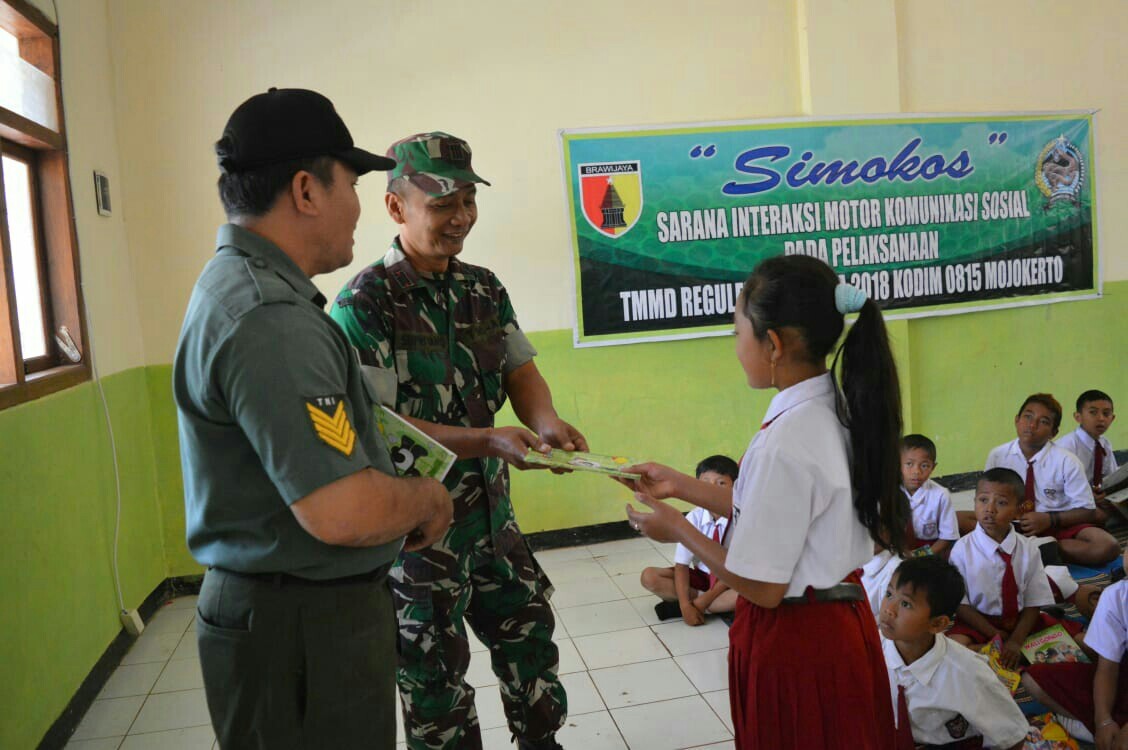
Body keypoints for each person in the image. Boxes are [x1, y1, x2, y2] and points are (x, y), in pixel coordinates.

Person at [174, 88, 453, 749]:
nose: (360, 205)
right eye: (352, 182)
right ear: (306, 189)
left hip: (293, 618)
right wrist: (425, 498)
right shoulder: (269, 320)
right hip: (298, 630)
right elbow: (342, 510)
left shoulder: (246, 293)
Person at [329, 132, 583, 750]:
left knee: (531, 647)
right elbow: (378, 426)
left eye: (468, 200)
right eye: (443, 204)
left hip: (495, 523)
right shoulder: (366, 303)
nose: (461, 218)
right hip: (419, 534)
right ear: (397, 208)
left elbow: (520, 369)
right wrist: (487, 440)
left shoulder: (483, 288)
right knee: (434, 682)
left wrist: (545, 419)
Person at [622, 255, 906, 749]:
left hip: (798, 641)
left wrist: (679, 529)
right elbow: (787, 514)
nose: (736, 349)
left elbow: (764, 586)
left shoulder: (788, 440)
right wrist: (682, 487)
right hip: (837, 623)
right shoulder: (833, 407)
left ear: (772, 343)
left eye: (738, 334)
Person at [879, 556, 1028, 750]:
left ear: (937, 624)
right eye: (889, 593)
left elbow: (1013, 735)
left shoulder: (969, 674)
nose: (889, 609)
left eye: (906, 604)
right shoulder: (869, 648)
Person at [946, 468, 1082, 666]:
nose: (990, 509)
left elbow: (1034, 600)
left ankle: (1003, 654)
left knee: (1079, 644)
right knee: (952, 648)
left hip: (1022, 622)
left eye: (1001, 503)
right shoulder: (961, 550)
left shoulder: (1028, 549)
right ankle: (1011, 653)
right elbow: (961, 604)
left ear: (1020, 510)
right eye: (983, 500)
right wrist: (995, 634)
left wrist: (1016, 640)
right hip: (979, 622)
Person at [966, 393, 1119, 567]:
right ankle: (1035, 551)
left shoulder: (1066, 460)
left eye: (1044, 421)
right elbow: (988, 496)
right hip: (1009, 524)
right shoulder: (998, 455)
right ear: (1017, 420)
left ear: (1054, 433)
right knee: (957, 520)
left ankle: (1043, 549)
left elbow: (1088, 510)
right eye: (1028, 417)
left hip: (1056, 526)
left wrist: (1049, 519)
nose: (1032, 425)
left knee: (1108, 546)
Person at [1024, 548, 1128, 749]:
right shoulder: (1116, 596)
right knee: (1034, 679)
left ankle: (1089, 728)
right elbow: (1107, 668)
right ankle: (1099, 728)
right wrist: (1103, 720)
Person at [640, 455, 739, 624]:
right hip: (702, 577)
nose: (711, 490)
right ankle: (708, 608)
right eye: (705, 483)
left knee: (750, 594)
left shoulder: (739, 519)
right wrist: (686, 605)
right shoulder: (694, 517)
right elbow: (682, 566)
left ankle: (697, 607)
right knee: (649, 577)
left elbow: (734, 571)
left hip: (731, 580)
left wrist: (703, 601)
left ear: (736, 487)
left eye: (721, 483)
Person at [1057, 390, 1119, 522]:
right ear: (1078, 417)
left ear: (1112, 418)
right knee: (1102, 517)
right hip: (1069, 503)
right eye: (1093, 412)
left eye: (1106, 413)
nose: (1101, 418)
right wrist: (1087, 496)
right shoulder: (1066, 447)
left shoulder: (1104, 444)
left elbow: (1112, 477)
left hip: (1097, 500)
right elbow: (1057, 488)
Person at [901, 434, 959, 557]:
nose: (916, 471)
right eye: (909, 464)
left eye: (924, 465)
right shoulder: (890, 493)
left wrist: (918, 555)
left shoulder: (941, 495)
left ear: (933, 467)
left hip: (930, 551)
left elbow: (946, 538)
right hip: (898, 549)